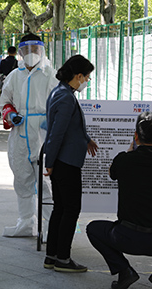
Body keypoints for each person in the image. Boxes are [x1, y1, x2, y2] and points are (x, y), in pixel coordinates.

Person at [86, 112, 152, 289]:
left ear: (135, 137)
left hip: (126, 237)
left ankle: (124, 270)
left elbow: (112, 174)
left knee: (93, 228)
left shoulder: (124, 160)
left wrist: (128, 152)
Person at [0, 33, 57, 238]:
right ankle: (25, 222)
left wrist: (51, 121)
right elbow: (4, 101)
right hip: (21, 133)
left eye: (35, 49)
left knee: (46, 183)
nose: (31, 54)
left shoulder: (51, 74)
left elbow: (59, 102)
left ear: (41, 50)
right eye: (27, 50)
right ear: (20, 52)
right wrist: (11, 114)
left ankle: (51, 227)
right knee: (22, 179)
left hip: (42, 134)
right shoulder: (15, 75)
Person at [43, 55, 98, 273]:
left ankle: (52, 255)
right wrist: (50, 161)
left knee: (60, 208)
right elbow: (57, 132)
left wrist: (86, 139)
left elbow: (70, 126)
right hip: (66, 162)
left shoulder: (61, 92)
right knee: (70, 209)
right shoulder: (65, 97)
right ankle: (63, 259)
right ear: (78, 76)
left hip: (63, 159)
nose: (87, 81)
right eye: (87, 77)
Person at [0, 46, 18, 116]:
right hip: (13, 80)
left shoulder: (3, 61)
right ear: (15, 53)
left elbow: (0, 71)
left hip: (4, 80)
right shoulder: (16, 62)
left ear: (8, 52)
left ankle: (0, 110)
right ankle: (12, 109)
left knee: (2, 94)